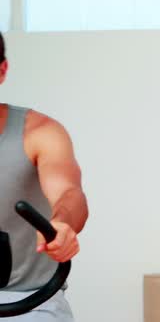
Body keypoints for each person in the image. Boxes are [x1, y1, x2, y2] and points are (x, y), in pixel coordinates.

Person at [0, 32, 89, 321]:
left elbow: (69, 193)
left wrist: (62, 225)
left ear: (2, 71)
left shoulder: (39, 132)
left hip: (29, 301)